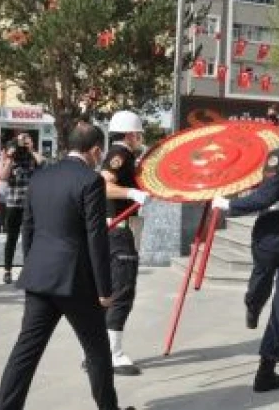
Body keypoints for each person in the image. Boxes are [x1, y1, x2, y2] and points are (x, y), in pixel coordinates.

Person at [0, 122, 133, 410]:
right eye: (100, 152)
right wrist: (105, 289)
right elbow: (96, 236)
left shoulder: (41, 177)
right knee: (97, 351)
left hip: (40, 277)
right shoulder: (89, 180)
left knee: (25, 352)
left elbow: (28, 229)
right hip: (76, 281)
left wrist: (33, 267)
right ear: (95, 150)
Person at [214, 103, 279, 393]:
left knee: (261, 277)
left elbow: (266, 196)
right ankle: (266, 369)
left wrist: (229, 204)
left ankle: (252, 304)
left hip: (273, 233)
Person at [98, 110, 151, 376]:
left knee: (108, 293)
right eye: (138, 133)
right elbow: (103, 186)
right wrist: (132, 193)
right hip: (118, 231)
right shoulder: (120, 155)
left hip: (113, 230)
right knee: (122, 291)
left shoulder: (124, 155)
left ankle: (99, 351)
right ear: (130, 134)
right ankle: (113, 354)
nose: (140, 137)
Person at [0, 132, 43, 284]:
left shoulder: (33, 157)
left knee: (29, 238)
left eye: (27, 139)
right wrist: (10, 158)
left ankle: (28, 270)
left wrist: (31, 150)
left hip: (31, 205)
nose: (23, 143)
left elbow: (45, 165)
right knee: (11, 237)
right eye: (21, 140)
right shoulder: (10, 157)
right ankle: (7, 270)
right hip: (13, 204)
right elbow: (3, 176)